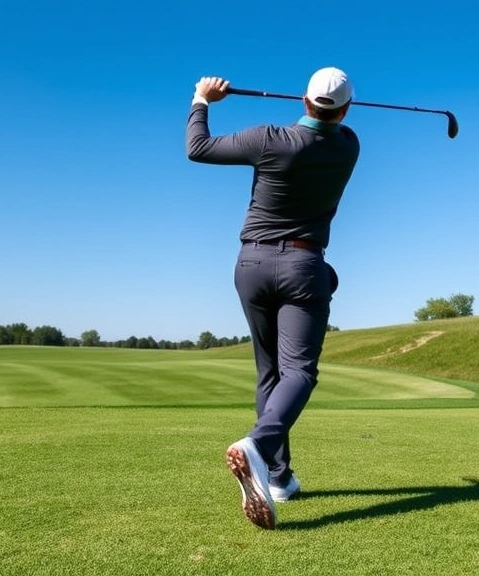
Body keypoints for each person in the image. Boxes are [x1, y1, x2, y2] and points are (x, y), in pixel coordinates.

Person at [186, 67, 360, 529]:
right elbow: (328, 123)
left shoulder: (268, 138)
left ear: (304, 100)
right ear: (345, 109)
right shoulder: (349, 146)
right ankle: (259, 447)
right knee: (299, 371)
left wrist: (202, 99)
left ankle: (279, 478)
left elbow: (197, 148)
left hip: (251, 265)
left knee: (271, 373)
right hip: (305, 266)